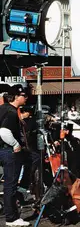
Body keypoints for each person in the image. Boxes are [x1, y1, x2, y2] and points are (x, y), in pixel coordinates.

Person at [0, 85, 30, 226]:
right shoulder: (11, 112)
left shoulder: (3, 108)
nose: (26, 98)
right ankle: (11, 218)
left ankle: (11, 216)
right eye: (24, 96)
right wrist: (15, 144)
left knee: (9, 184)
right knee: (10, 185)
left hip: (2, 150)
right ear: (17, 97)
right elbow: (4, 132)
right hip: (8, 151)